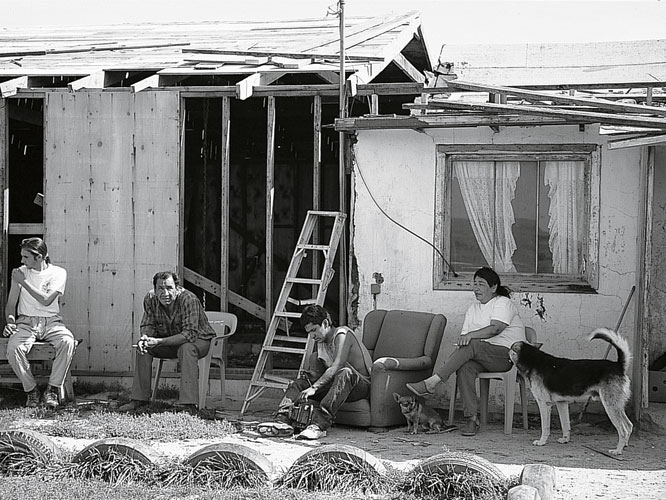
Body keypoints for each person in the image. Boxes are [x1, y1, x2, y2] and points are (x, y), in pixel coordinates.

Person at [406, 266, 526, 437]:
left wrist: (470, 337)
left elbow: (495, 329)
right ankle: (472, 419)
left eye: (481, 284)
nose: (476, 288)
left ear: (493, 287)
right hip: (483, 356)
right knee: (464, 367)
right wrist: (459, 351)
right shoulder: (473, 309)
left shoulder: (502, 303)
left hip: (507, 355)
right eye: (474, 284)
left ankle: (433, 382)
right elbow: (464, 341)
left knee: (473, 343)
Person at [258, 304, 372, 440]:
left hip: (359, 385)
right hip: (337, 385)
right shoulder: (321, 342)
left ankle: (319, 425)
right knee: (300, 383)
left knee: (344, 372)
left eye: (314, 330)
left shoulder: (342, 334)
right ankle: (282, 420)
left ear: (325, 323)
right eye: (309, 333)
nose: (312, 336)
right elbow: (320, 373)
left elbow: (337, 366)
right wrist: (308, 382)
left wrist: (314, 388)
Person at [118, 271, 215, 413]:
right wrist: (145, 338)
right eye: (160, 289)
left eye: (169, 288)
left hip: (198, 341)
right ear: (155, 289)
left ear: (177, 287)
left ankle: (189, 405)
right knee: (143, 348)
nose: (165, 293)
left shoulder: (189, 299)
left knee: (186, 348)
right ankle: (139, 400)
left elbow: (189, 334)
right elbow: (147, 325)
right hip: (168, 341)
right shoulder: (150, 298)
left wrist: (158, 341)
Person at [2, 237, 76, 409]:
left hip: (52, 322)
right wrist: (10, 322)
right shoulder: (20, 272)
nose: (22, 260)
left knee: (68, 342)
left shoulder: (58, 273)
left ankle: (52, 390)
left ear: (40, 256)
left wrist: (24, 283)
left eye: (25, 257)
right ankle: (32, 391)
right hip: (26, 322)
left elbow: (46, 300)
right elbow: (11, 305)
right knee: (13, 349)